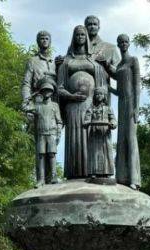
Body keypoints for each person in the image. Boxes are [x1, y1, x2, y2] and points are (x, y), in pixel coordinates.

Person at [56, 25, 107, 179]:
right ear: (74, 37)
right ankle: (74, 174)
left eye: (82, 35)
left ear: (86, 38)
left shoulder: (93, 61)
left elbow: (102, 86)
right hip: (73, 106)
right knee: (75, 140)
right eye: (77, 35)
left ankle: (93, 171)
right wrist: (72, 96)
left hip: (92, 106)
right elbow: (59, 88)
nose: (80, 37)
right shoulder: (66, 62)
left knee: (91, 137)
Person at [110, 33, 142, 188]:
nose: (123, 44)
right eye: (120, 42)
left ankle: (134, 179)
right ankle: (122, 177)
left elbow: (137, 85)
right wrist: (108, 88)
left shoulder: (133, 61)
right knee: (121, 140)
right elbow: (119, 90)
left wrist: (136, 108)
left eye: (125, 42)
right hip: (121, 105)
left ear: (128, 44)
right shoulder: (119, 65)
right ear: (118, 44)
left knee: (131, 140)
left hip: (130, 105)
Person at [25, 78, 63, 185]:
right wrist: (33, 95)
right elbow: (24, 107)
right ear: (41, 92)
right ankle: (41, 179)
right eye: (44, 90)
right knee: (41, 156)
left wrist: (58, 134)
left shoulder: (55, 106)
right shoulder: (37, 106)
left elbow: (59, 121)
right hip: (41, 134)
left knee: (51, 154)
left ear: (51, 92)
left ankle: (54, 176)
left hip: (51, 133)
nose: (47, 92)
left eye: (48, 90)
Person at [83, 88, 116, 179]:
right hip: (94, 132)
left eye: (101, 94)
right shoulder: (91, 109)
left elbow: (113, 119)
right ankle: (93, 171)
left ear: (104, 96)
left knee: (106, 151)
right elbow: (86, 121)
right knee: (94, 152)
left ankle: (107, 172)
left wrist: (113, 123)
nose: (99, 96)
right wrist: (86, 123)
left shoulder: (108, 108)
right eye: (97, 94)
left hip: (105, 132)